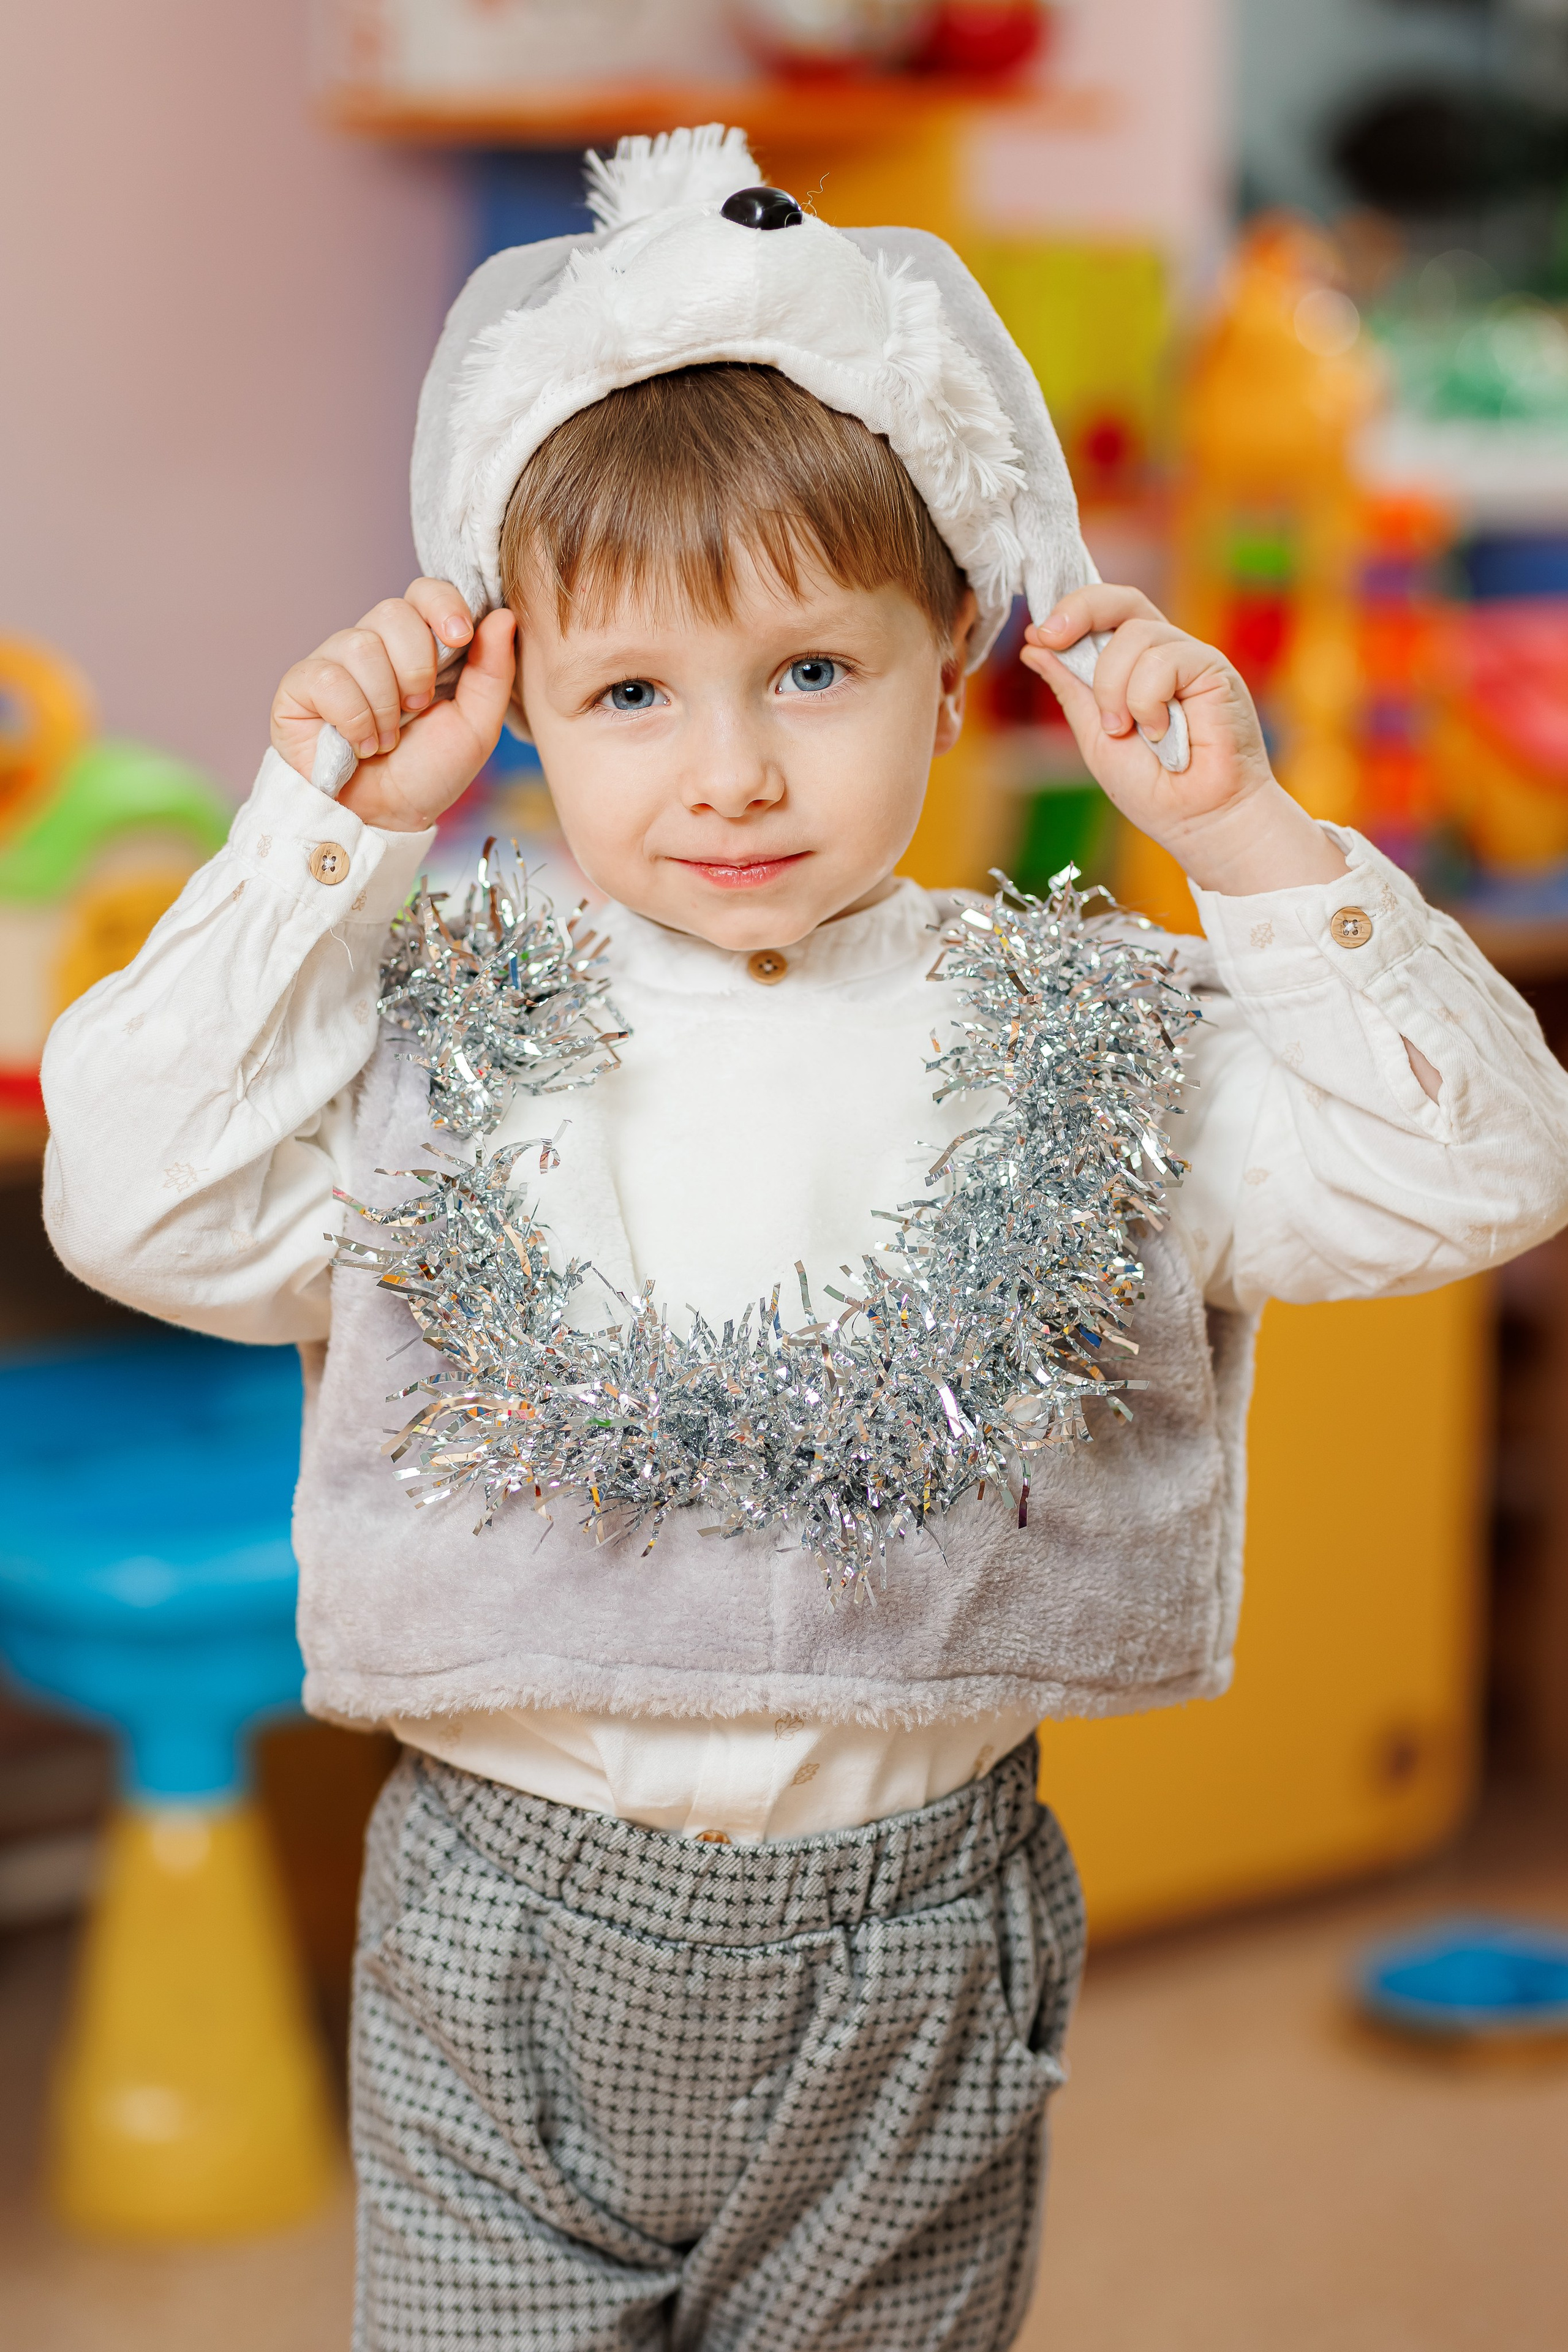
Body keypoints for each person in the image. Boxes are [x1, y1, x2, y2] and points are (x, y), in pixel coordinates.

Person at [41, 127, 1568, 2352]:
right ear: (521, 705)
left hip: (921, 1936)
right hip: (498, 1926)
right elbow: (136, 1196)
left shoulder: (1085, 1026)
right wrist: (318, 834)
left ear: (955, 654)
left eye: (813, 675)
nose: (732, 774)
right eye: (632, 695)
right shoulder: (440, 1015)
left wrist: (1245, 832)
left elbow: (1481, 1170)